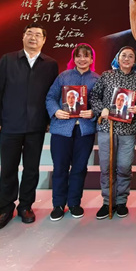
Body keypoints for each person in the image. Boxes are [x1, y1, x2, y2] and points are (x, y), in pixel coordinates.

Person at [0, 23, 59, 230]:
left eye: (38, 35)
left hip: (36, 126)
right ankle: (5, 209)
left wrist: (48, 121)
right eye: (29, 33)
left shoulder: (50, 64)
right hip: (10, 124)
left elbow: (52, 95)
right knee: (8, 169)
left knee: (31, 169)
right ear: (23, 37)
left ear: (44, 40)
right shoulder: (8, 60)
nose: (33, 37)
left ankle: (26, 206)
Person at [45, 44, 99, 221]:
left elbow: (101, 103)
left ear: (91, 59)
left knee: (79, 168)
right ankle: (58, 204)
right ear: (74, 58)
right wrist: (55, 111)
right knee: (60, 167)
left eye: (86, 56)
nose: (82, 59)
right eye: (78, 56)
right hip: (62, 130)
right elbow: (50, 97)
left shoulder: (97, 79)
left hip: (84, 130)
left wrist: (93, 112)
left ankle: (74, 203)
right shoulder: (63, 76)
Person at [89, 46, 136, 219]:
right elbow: (94, 96)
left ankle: (121, 201)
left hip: (127, 130)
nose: (126, 59)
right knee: (106, 167)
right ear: (117, 59)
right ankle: (107, 202)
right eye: (123, 55)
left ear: (135, 61)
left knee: (124, 166)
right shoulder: (106, 75)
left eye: (130, 56)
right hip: (107, 128)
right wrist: (101, 109)